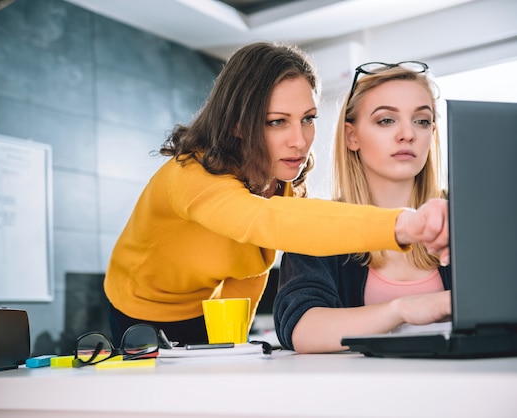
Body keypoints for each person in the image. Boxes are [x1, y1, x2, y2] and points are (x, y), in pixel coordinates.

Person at [104, 44, 450, 346]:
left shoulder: (279, 175)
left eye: (308, 118)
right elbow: (266, 222)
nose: (299, 141)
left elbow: (251, 268)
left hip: (212, 306)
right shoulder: (191, 177)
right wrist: (405, 224)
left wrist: (234, 341)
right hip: (142, 312)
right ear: (237, 124)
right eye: (276, 122)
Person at [273, 61, 452, 354]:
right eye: (386, 120)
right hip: (359, 396)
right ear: (351, 136)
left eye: (421, 121)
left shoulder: (466, 217)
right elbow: (301, 329)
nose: (407, 134)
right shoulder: (317, 225)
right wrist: (402, 310)